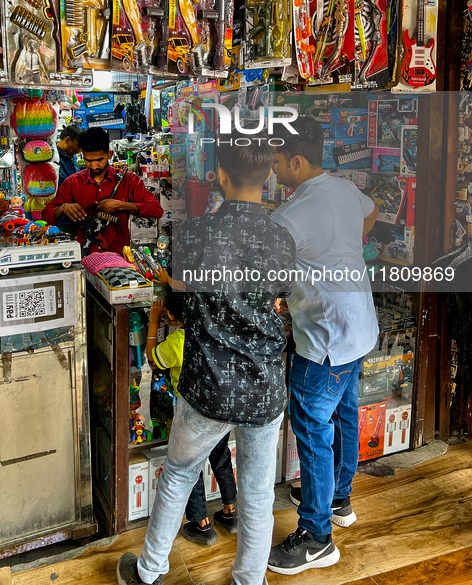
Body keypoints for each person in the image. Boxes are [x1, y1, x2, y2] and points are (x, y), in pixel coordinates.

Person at [117, 137, 296, 585]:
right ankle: (249, 581)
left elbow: (183, 305)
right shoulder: (282, 237)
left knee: (178, 473)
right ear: (268, 175)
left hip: (208, 382)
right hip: (264, 384)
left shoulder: (198, 234)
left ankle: (150, 571)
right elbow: (280, 301)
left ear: (219, 176)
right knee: (256, 494)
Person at [267, 116, 379, 576]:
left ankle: (317, 537)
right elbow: (370, 214)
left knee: (313, 429)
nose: (272, 170)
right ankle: (339, 499)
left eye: (276, 162)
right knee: (344, 412)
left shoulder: (289, 216)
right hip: (359, 326)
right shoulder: (343, 189)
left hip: (325, 338)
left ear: (296, 160)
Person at [146, 299, 238, 547]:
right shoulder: (216, 329)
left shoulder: (177, 341)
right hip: (218, 407)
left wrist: (153, 323)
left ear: (172, 319)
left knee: (190, 466)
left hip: (192, 411)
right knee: (221, 458)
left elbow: (153, 359)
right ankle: (230, 512)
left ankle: (202, 524)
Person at [42, 127, 163, 254]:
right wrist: (63, 208)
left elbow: (156, 209)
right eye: (88, 160)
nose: (94, 166)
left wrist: (121, 206)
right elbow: (46, 215)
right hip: (84, 257)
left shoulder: (128, 180)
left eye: (99, 160)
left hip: (118, 258)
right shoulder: (73, 182)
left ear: (109, 155)